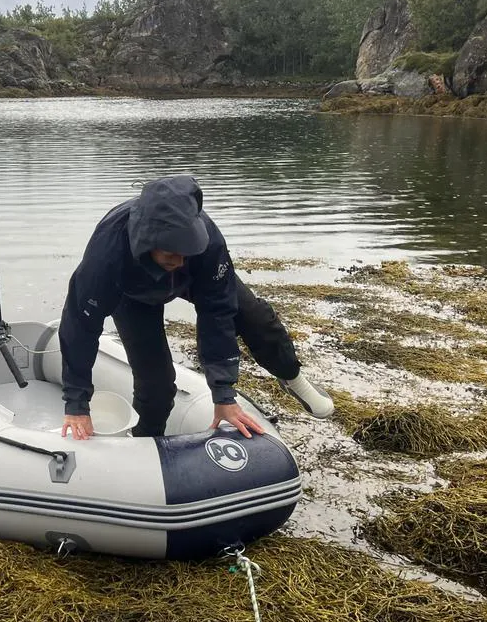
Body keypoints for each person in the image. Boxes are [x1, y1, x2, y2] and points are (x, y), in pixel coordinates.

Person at [58, 174, 334, 441]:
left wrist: (223, 395)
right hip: (133, 295)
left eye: (185, 252)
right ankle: (146, 445)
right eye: (171, 253)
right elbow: (80, 326)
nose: (178, 260)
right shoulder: (107, 255)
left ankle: (293, 378)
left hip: (195, 276)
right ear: (148, 242)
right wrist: (77, 404)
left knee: (256, 318)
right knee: (157, 385)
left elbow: (217, 312)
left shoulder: (205, 244)